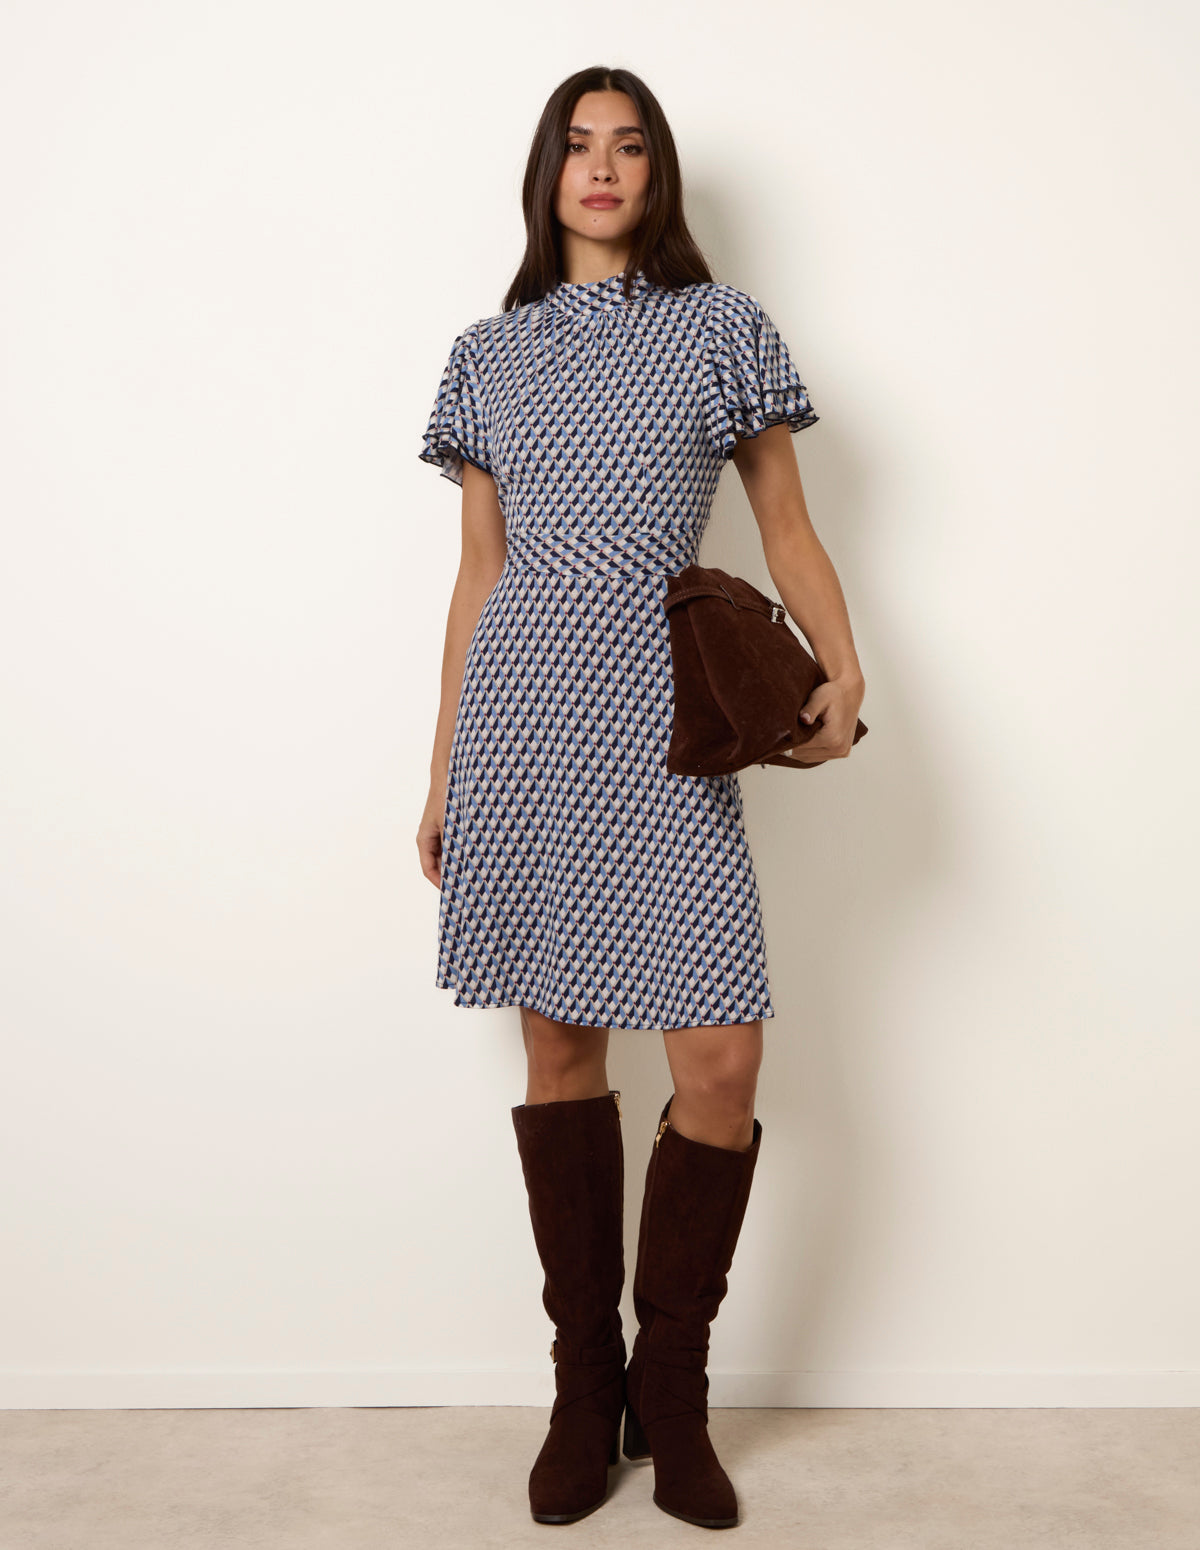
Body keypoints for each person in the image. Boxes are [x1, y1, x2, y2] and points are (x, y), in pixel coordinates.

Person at [415, 66, 865, 1531]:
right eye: (578, 146)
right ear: (547, 175)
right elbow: (480, 573)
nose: (602, 167)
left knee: (719, 1058)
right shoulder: (488, 354)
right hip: (527, 726)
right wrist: (443, 770)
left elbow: (785, 522)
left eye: (629, 146)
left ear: (657, 175)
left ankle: (672, 1390)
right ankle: (582, 1387)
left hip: (669, 731)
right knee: (560, 1049)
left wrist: (844, 665)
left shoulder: (721, 328)